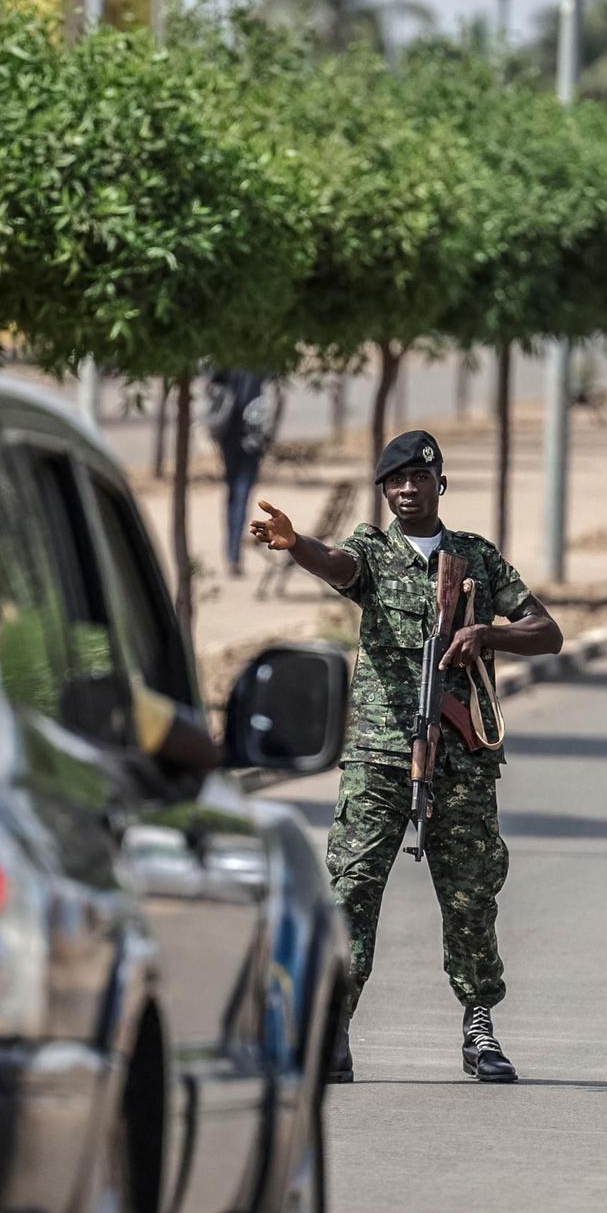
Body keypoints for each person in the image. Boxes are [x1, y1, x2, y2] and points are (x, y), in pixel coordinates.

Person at [250, 430, 562, 1084]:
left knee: (471, 896)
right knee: (352, 891)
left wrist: (488, 632)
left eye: (419, 478)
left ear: (439, 482)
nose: (408, 490)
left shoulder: (476, 557)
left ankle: (479, 1026)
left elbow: (548, 632)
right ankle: (332, 1031)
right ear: (385, 490)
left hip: (463, 757)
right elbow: (339, 565)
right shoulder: (372, 551)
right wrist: (296, 544)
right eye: (396, 481)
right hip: (378, 755)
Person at [206, 370, 281, 577]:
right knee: (240, 494)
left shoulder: (227, 356)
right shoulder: (259, 359)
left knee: (233, 494)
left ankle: (232, 552)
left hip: (228, 435)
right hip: (250, 438)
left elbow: (211, 383)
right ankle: (233, 553)